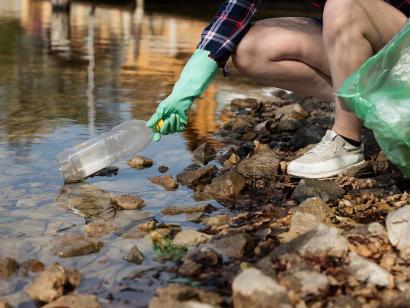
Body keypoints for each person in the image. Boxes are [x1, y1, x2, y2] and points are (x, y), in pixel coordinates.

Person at [147, 0, 410, 178]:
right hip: (377, 46)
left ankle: (346, 140)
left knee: (344, 4)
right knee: (250, 48)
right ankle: (378, 108)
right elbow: (237, 8)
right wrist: (187, 85)